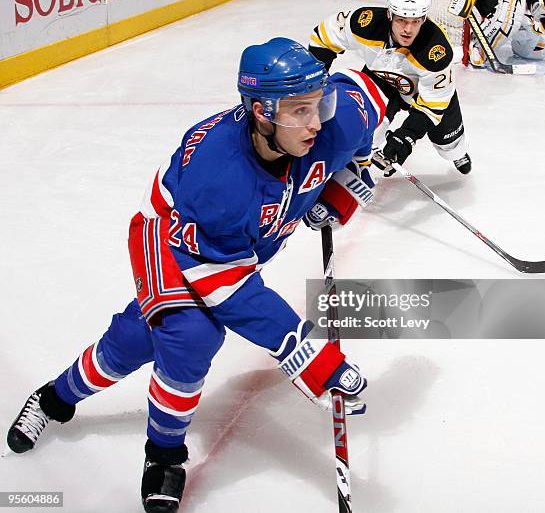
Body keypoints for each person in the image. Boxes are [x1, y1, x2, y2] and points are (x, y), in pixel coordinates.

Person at [7, 38, 387, 513]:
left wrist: (352, 176)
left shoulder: (333, 121)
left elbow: (370, 98)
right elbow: (229, 286)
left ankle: (52, 397)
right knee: (191, 335)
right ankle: (163, 456)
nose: (314, 122)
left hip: (231, 247)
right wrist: (307, 354)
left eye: (318, 105)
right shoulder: (219, 178)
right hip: (169, 239)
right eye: (297, 111)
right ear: (260, 113)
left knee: (137, 339)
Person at [309, 0, 472, 177]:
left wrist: (407, 136)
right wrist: (316, 85)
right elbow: (323, 37)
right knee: (364, 125)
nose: (408, 30)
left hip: (422, 91)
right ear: (389, 15)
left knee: (448, 140)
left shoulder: (436, 51)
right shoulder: (365, 23)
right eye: (401, 20)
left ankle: (457, 153)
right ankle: (359, 159)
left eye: (415, 21)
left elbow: (434, 104)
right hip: (382, 79)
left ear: (424, 19)